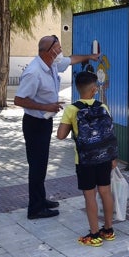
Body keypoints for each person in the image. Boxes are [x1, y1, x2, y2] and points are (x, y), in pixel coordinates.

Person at [14, 35, 100, 220]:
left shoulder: (52, 63)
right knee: (37, 166)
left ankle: (41, 199)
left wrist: (90, 57)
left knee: (41, 165)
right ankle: (35, 208)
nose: (61, 51)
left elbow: (71, 60)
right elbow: (18, 100)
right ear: (48, 51)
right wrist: (46, 106)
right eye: (58, 48)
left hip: (45, 121)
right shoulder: (34, 72)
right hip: (35, 123)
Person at [56, 71, 117, 247]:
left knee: (90, 195)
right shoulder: (103, 107)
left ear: (78, 89)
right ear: (93, 89)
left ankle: (94, 234)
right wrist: (113, 157)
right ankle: (108, 230)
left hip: (85, 160)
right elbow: (110, 134)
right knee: (105, 192)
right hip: (105, 158)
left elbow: (61, 135)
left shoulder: (72, 109)